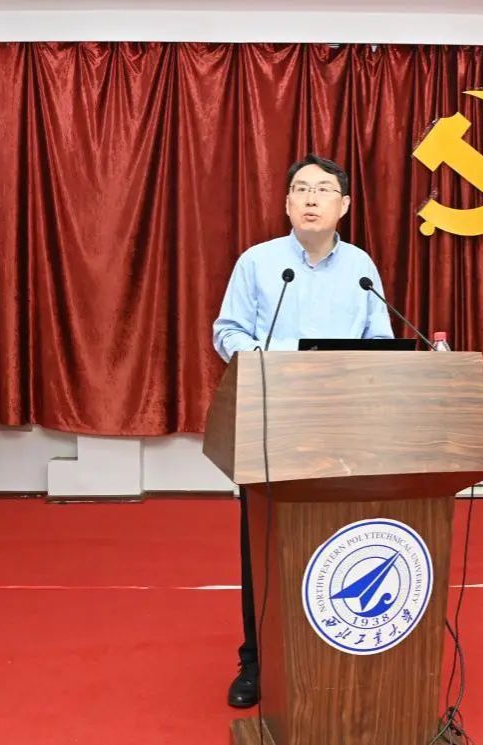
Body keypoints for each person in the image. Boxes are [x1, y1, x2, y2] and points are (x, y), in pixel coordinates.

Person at [212, 154, 394, 707]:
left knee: (339, 538)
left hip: (346, 424)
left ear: (344, 205)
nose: (311, 198)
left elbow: (381, 340)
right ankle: (257, 662)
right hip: (275, 419)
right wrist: (276, 358)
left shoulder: (361, 266)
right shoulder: (259, 262)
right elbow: (227, 332)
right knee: (266, 543)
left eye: (323, 189)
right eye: (301, 189)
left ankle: (337, 654)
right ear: (288, 203)